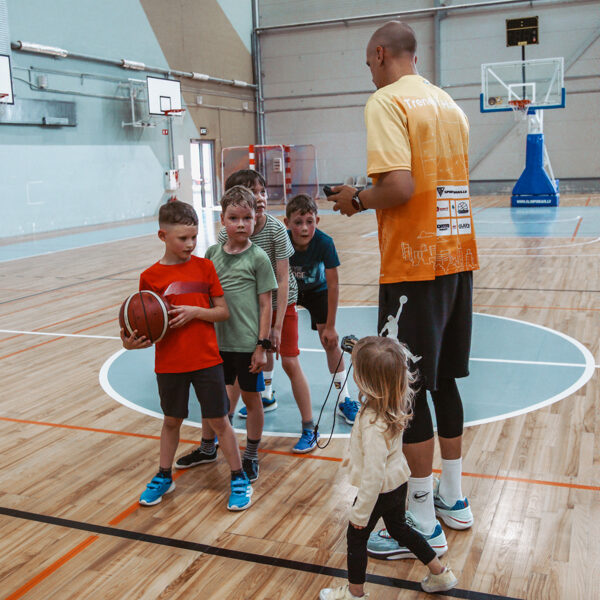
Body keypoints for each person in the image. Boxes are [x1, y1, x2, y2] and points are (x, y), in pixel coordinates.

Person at [328, 21, 479, 559]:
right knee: (445, 382)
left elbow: (398, 186)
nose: (370, 71)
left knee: (407, 392)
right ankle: (453, 498)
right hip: (457, 259)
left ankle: (419, 516)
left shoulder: (387, 102)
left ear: (380, 52)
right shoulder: (448, 105)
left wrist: (355, 199)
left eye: (369, 62)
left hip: (414, 266)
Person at [121, 199, 252, 511]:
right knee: (171, 420)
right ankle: (164, 476)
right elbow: (138, 323)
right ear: (162, 236)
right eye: (183, 238)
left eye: (194, 237)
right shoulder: (150, 277)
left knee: (220, 420)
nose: (190, 244)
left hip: (206, 360)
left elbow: (222, 312)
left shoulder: (205, 267)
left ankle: (238, 477)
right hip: (169, 363)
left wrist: (195, 311)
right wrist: (130, 343)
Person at [319, 336, 458, 600]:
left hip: (380, 489)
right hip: (397, 483)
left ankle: (354, 593)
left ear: (366, 381)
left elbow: (373, 475)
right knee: (400, 529)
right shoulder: (391, 403)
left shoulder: (373, 422)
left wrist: (360, 514)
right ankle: (439, 572)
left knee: (356, 537)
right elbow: (386, 358)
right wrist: (359, 350)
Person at [203, 169, 317, 454]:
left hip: (280, 304)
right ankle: (222, 428)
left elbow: (281, 280)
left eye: (262, 191)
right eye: (251, 192)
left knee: (289, 362)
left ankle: (308, 427)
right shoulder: (223, 236)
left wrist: (276, 328)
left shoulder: (276, 229)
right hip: (249, 308)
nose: (259, 197)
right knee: (241, 372)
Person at [175, 186, 277, 482]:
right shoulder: (211, 254)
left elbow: (265, 304)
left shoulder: (258, 258)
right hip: (215, 344)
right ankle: (208, 448)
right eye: (234, 218)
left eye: (247, 217)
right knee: (214, 400)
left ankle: (251, 453)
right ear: (224, 220)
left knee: (252, 399)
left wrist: (262, 344)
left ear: (256, 217)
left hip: (246, 345)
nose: (241, 224)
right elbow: (206, 298)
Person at [284, 193, 359, 424]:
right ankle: (266, 394)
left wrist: (332, 326)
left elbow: (334, 283)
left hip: (318, 292)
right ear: (287, 223)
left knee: (330, 342)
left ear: (318, 220)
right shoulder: (283, 242)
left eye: (310, 222)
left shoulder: (324, 243)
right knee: (270, 340)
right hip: (289, 290)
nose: (305, 228)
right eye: (298, 222)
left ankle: (343, 399)